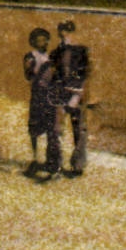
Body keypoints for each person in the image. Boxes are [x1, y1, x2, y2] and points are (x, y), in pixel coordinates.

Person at [51, 20, 90, 177]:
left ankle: (78, 165)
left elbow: (85, 74)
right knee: (57, 129)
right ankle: (57, 163)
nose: (64, 34)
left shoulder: (81, 51)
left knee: (79, 130)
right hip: (61, 94)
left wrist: (78, 95)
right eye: (62, 31)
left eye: (67, 31)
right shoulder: (55, 53)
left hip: (76, 94)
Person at [22, 28, 61, 178]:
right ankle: (35, 158)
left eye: (44, 39)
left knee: (50, 127)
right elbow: (28, 76)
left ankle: (49, 160)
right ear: (34, 42)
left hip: (49, 95)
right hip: (38, 95)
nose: (42, 42)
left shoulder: (49, 56)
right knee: (35, 127)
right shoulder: (31, 56)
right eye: (39, 40)